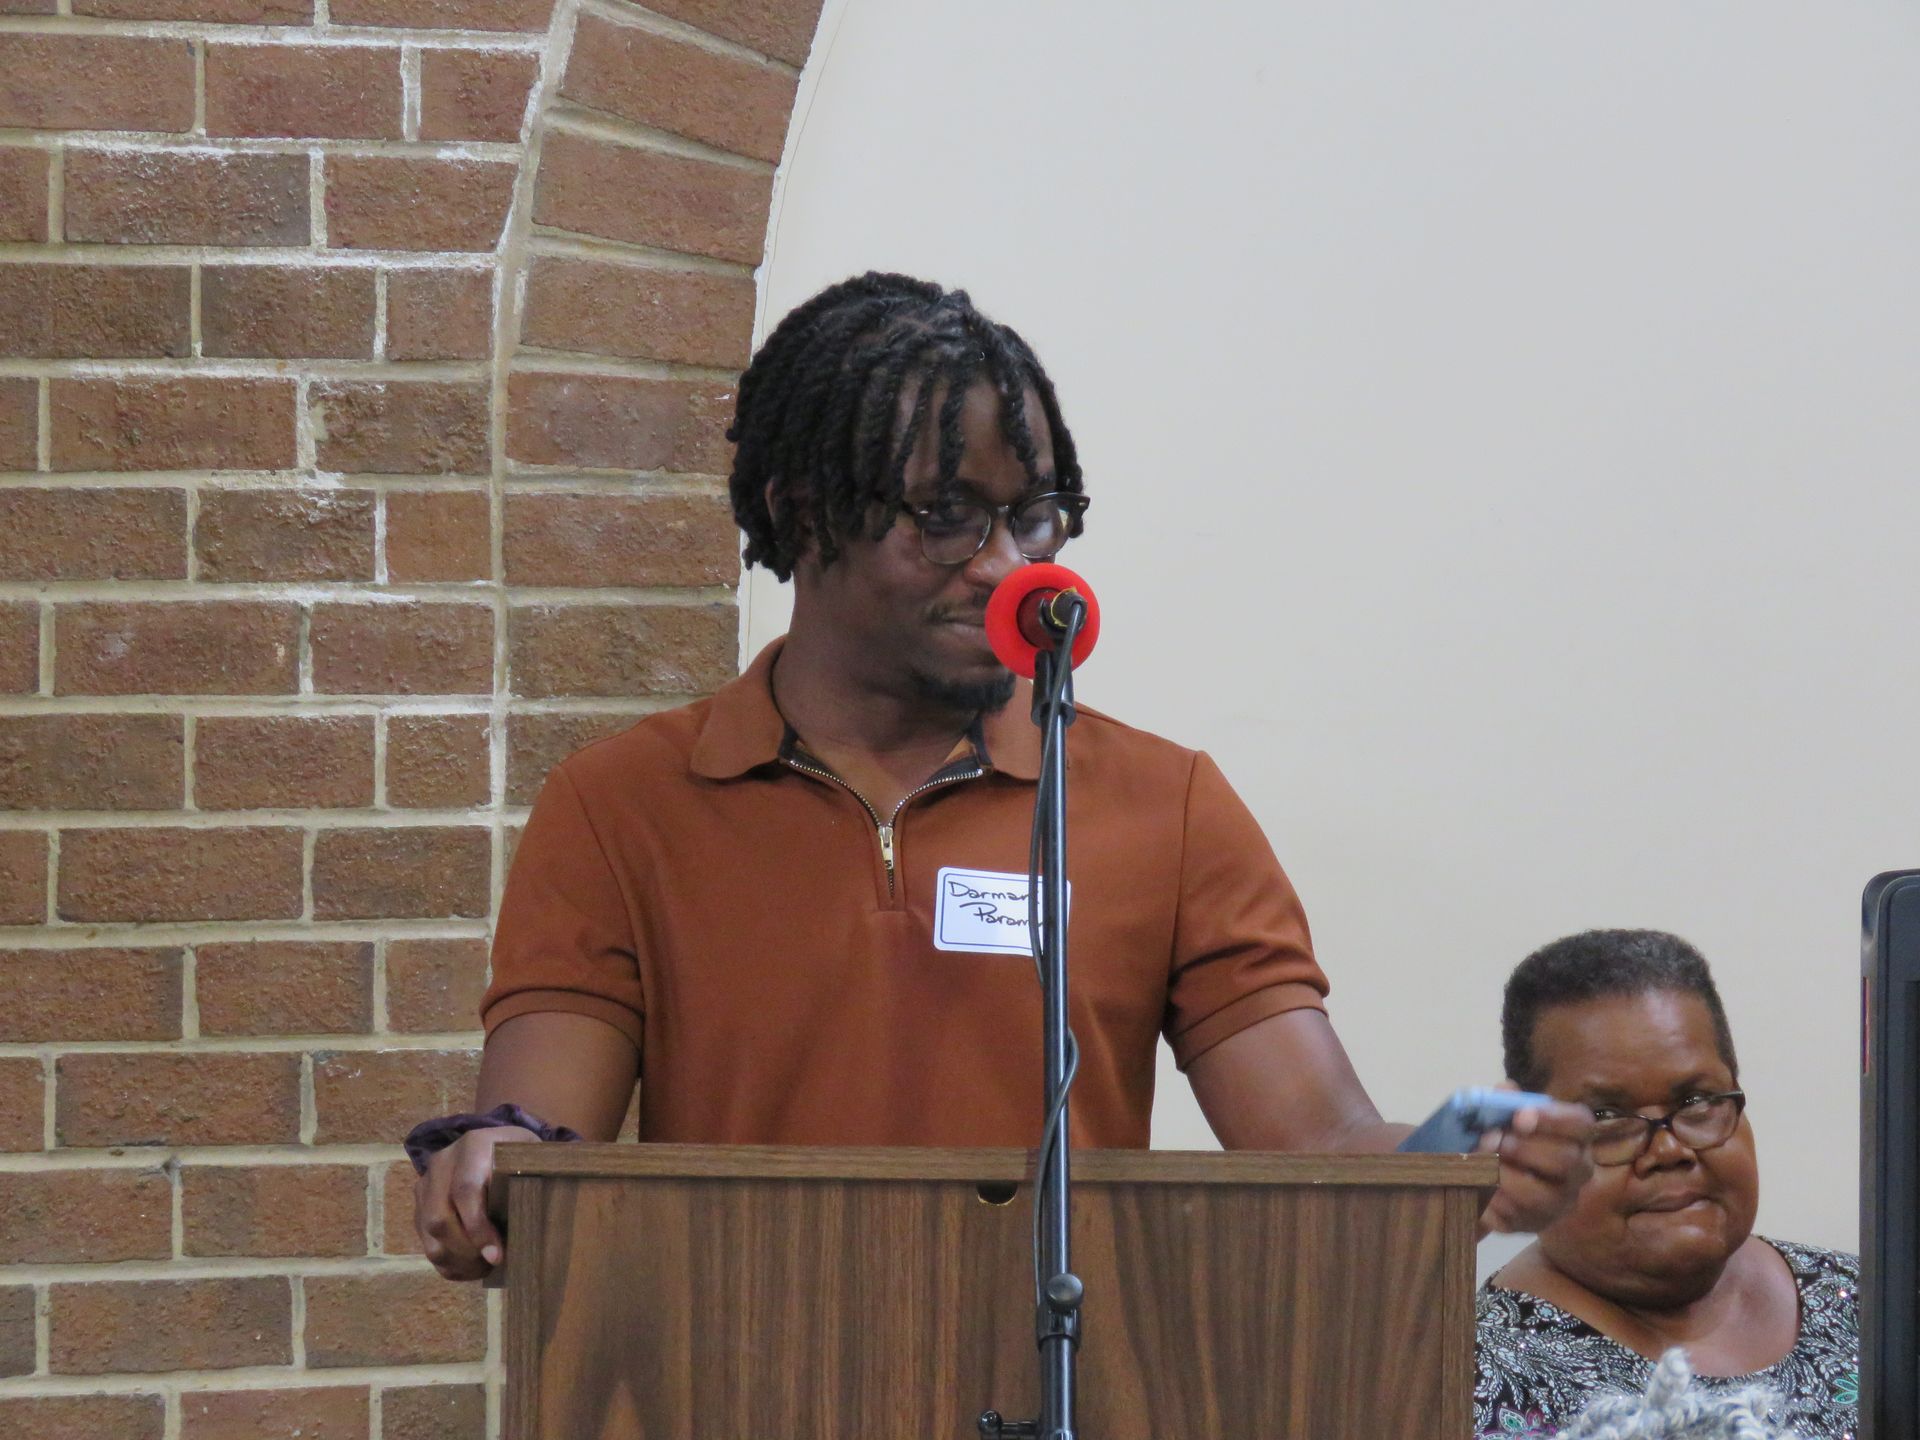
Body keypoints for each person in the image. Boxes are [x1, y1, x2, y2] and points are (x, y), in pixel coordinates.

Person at [410, 272, 1594, 1281]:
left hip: (1058, 1388)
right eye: (946, 518)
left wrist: (1452, 1155)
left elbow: (1319, 1141)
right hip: (741, 1370)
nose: (1006, 565)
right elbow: (537, 1144)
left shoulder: (1164, 803)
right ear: (799, 507)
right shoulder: (624, 804)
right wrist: (489, 1175)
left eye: (1033, 516)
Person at [1474, 929, 1859, 1440]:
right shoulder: (1473, 1381)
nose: (1670, 1150)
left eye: (1698, 1101)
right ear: (1531, 1135)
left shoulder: (1869, 1304)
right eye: (1607, 1116)